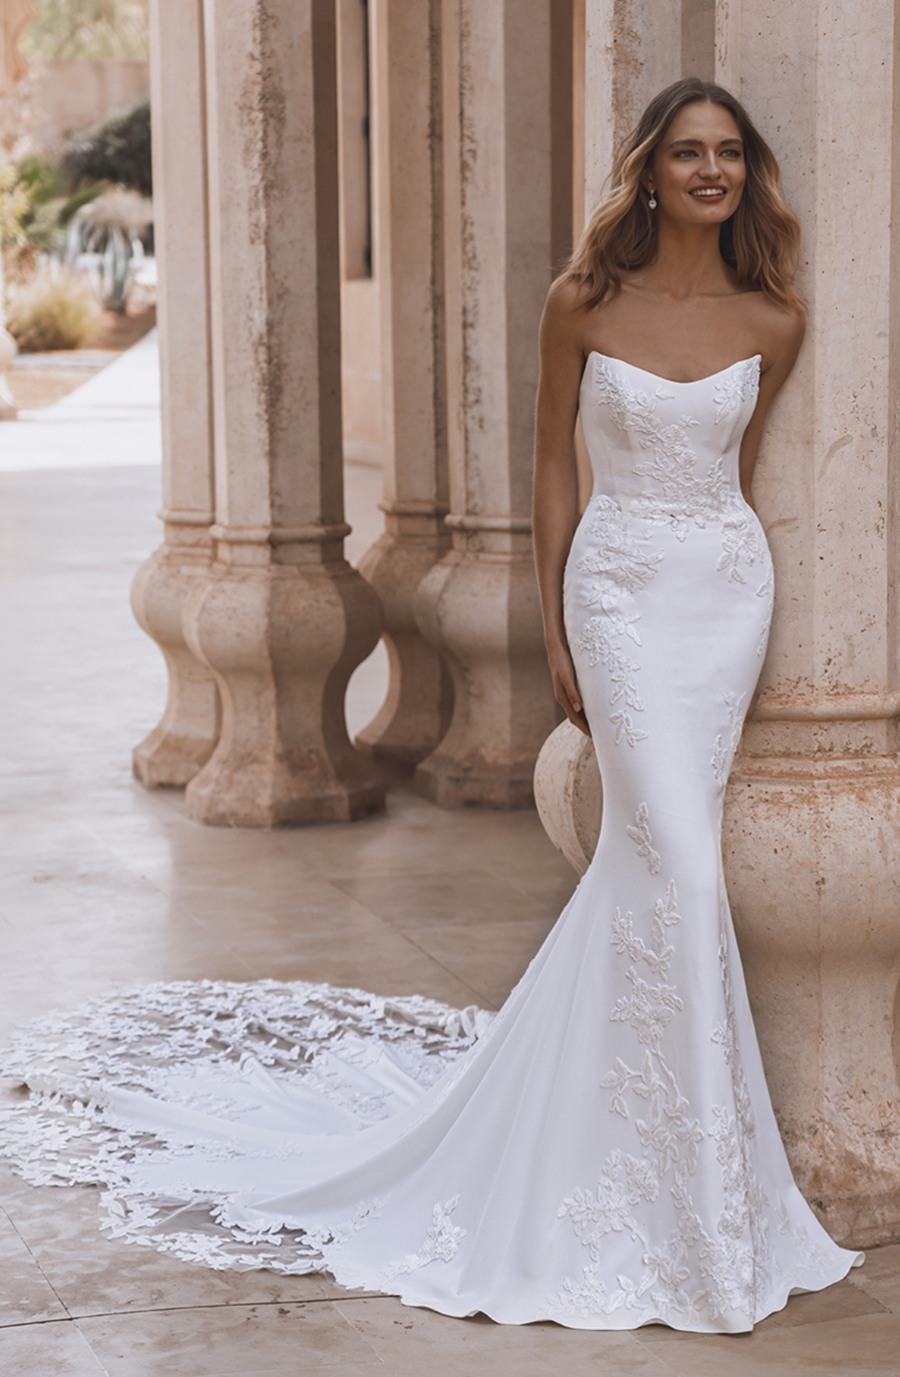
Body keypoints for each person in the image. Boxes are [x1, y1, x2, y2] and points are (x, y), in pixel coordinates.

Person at [0, 79, 861, 1333]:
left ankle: (673, 1175)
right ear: (650, 170)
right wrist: (559, 622)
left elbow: (740, 470)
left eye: (730, 152)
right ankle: (666, 1180)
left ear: (748, 171)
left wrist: (724, 581)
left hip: (723, 597)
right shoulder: (584, 301)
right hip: (619, 594)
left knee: (656, 871)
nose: (712, 171)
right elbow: (553, 466)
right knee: (674, 859)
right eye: (689, 152)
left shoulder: (776, 317)